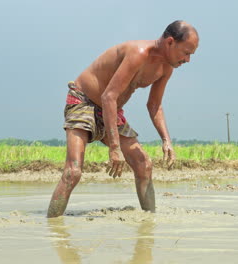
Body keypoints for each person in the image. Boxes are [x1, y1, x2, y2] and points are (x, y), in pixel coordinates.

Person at [47, 20, 199, 218]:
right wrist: (114, 148)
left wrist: (166, 140)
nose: (187, 60)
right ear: (170, 42)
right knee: (73, 172)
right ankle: (53, 226)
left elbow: (154, 105)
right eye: (186, 53)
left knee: (144, 164)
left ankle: (149, 223)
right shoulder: (139, 53)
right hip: (83, 101)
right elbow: (108, 96)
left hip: (112, 110)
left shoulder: (166, 67)